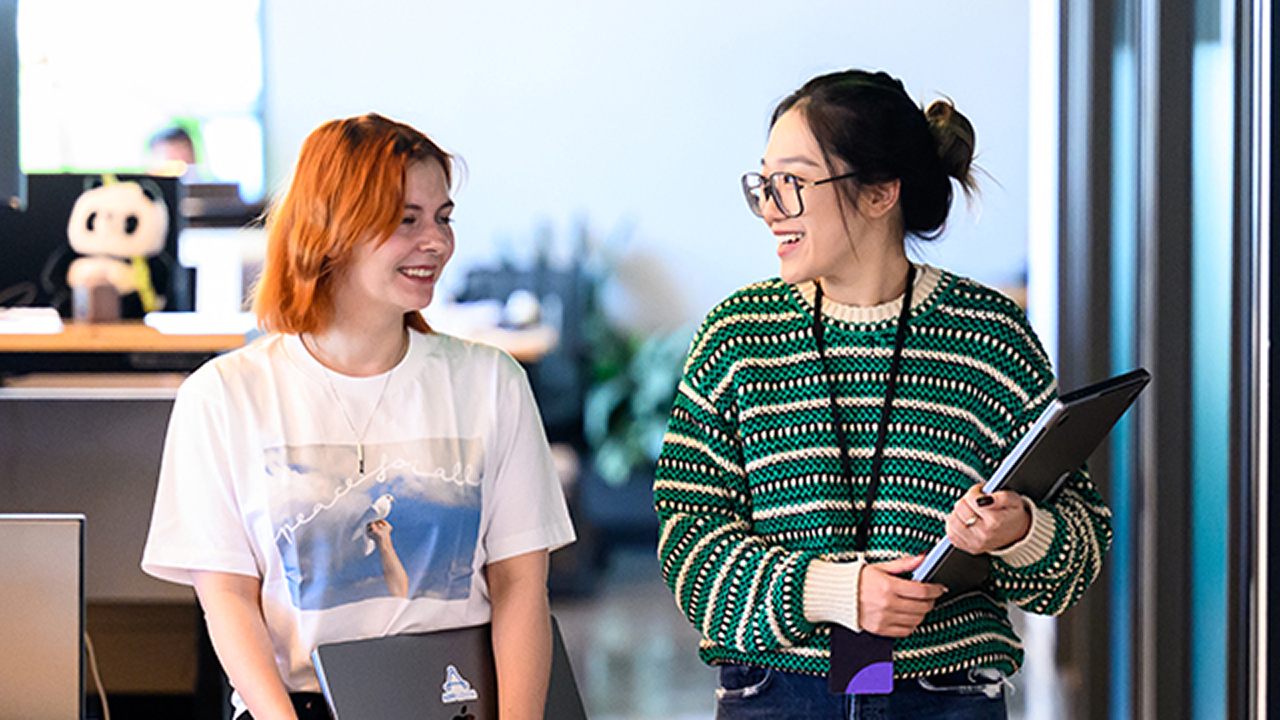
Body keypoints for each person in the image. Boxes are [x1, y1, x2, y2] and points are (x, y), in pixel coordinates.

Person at [653, 70, 1112, 719]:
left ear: (879, 193)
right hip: (777, 695)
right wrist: (830, 591)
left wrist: (1019, 532)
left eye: (792, 183)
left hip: (946, 696)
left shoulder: (990, 338)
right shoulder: (739, 337)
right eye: (763, 184)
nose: (770, 208)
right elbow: (689, 545)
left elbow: (1078, 556)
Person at [142, 113, 575, 720]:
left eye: (443, 218)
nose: (436, 242)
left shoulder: (491, 383)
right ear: (331, 230)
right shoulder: (223, 396)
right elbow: (227, 597)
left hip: (457, 704)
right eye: (407, 220)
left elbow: (521, 585)